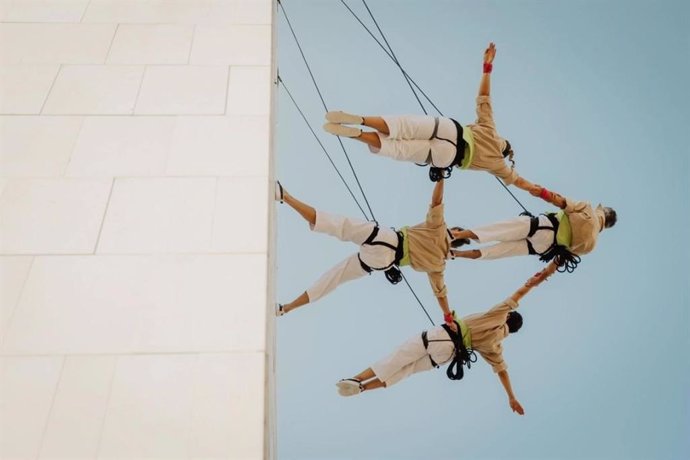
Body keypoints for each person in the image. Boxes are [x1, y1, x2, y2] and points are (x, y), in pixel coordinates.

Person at [336, 262, 559, 416]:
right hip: (444, 357)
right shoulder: (496, 346)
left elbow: (521, 292)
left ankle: (356, 379)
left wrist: (544, 275)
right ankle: (363, 389)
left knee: (396, 359)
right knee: (404, 371)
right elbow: (502, 371)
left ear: (509, 316)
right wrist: (512, 397)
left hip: (442, 337)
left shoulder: (498, 315)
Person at [322, 42, 539, 191]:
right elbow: (523, 184)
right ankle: (358, 135)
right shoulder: (499, 166)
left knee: (403, 126)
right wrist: (550, 197)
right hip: (448, 156)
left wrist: (487, 66)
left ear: (503, 141)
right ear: (504, 152)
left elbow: (483, 96)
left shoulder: (489, 128)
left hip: (450, 129)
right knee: (399, 149)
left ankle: (361, 120)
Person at [275, 179, 468, 330]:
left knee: (335, 225)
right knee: (334, 278)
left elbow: (436, 201)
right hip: (382, 261)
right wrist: (448, 317)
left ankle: (286, 196)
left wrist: (441, 176)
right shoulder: (439, 265)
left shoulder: (438, 228)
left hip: (388, 239)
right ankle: (287, 308)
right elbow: (440, 295)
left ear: (456, 231)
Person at [451, 185, 617, 271]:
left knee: (495, 231)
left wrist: (542, 193)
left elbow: (562, 202)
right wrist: (542, 276)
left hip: (543, 226)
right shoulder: (591, 245)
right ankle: (454, 254)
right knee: (495, 253)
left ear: (603, 211)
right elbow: (562, 260)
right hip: (542, 247)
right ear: (606, 227)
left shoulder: (588, 209)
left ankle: (456, 235)